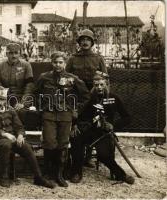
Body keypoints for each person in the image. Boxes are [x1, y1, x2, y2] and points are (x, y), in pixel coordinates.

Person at [0, 85, 55, 189]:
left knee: (26, 146)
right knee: (6, 144)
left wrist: (20, 135)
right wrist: (4, 134)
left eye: (2, 100)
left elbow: (19, 126)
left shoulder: (10, 110)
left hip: (12, 140)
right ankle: (4, 176)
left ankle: (38, 177)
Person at [69, 71, 135, 185]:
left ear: (107, 84)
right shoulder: (88, 98)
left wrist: (114, 125)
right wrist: (75, 125)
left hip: (103, 133)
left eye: (101, 84)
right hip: (89, 130)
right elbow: (78, 114)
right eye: (96, 85)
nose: (99, 87)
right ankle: (76, 172)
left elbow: (127, 118)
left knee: (104, 155)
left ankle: (121, 175)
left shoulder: (114, 98)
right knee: (76, 140)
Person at [36, 52, 90, 187]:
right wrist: (41, 106)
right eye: (55, 62)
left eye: (60, 62)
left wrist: (75, 109)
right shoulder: (44, 77)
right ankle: (48, 173)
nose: (58, 65)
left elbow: (86, 96)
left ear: (65, 63)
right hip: (48, 115)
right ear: (51, 62)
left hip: (65, 116)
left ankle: (59, 174)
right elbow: (35, 92)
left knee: (63, 144)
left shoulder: (73, 78)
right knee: (49, 142)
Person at [66, 28, 108, 168]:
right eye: (82, 40)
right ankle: (75, 155)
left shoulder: (98, 58)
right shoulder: (72, 58)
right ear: (79, 42)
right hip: (77, 97)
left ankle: (88, 156)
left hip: (94, 97)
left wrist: (103, 97)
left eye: (87, 40)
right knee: (75, 124)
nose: (85, 42)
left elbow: (105, 78)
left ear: (92, 42)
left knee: (92, 124)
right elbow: (66, 78)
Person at [0, 43, 34, 109]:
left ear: (20, 54)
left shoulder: (26, 65)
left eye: (16, 53)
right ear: (6, 54)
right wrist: (3, 102)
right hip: (5, 98)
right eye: (11, 53)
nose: (14, 56)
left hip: (21, 98)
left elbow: (29, 85)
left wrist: (23, 103)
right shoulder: (0, 66)